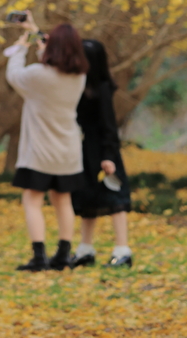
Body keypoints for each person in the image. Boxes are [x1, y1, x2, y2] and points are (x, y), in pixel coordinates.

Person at [6, 17, 88, 271]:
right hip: (68, 150)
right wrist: (35, 32)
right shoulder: (79, 77)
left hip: (39, 151)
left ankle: (39, 255)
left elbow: (14, 75)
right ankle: (63, 254)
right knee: (63, 201)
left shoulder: (37, 76)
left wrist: (21, 47)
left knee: (32, 200)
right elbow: (54, 59)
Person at [70, 38, 132, 268]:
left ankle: (123, 250)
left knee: (114, 198)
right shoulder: (77, 84)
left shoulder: (102, 89)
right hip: (84, 150)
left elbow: (109, 126)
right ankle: (85, 249)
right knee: (87, 199)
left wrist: (108, 155)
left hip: (103, 151)